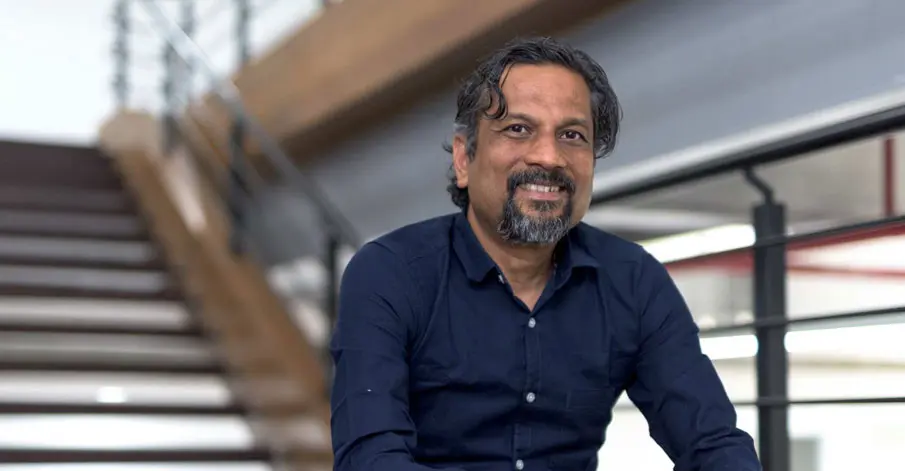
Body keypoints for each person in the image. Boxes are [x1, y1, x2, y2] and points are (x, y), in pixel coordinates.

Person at [329, 36, 761, 471]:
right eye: (518, 129)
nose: (549, 157)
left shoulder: (633, 280)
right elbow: (371, 459)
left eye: (572, 135)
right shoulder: (390, 272)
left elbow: (713, 443)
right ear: (463, 159)